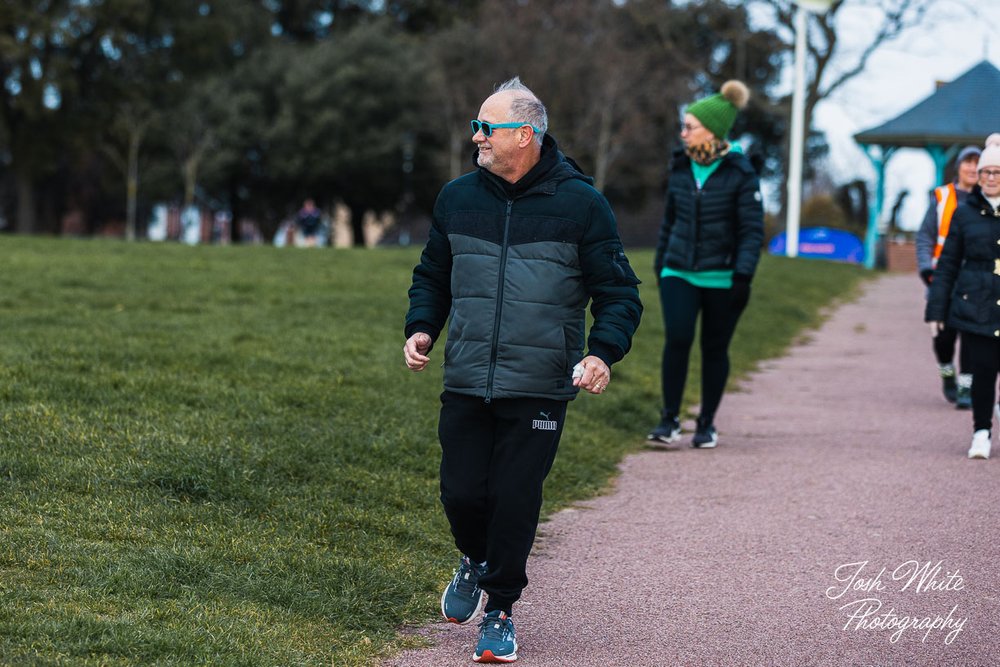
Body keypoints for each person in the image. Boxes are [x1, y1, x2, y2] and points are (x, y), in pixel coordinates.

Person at [403, 77, 642, 663]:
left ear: (527, 135)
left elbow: (620, 293)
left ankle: (501, 611)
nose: (477, 137)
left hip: (539, 383)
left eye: (488, 127)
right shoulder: (457, 197)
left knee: (514, 499)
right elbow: (433, 274)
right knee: (461, 494)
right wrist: (422, 326)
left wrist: (601, 353)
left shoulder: (582, 204)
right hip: (465, 377)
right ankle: (474, 558)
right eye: (476, 126)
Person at [647, 80, 764, 449]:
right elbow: (670, 220)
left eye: (690, 127)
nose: (683, 133)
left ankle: (707, 424)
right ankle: (669, 420)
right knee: (678, 339)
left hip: (723, 277)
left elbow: (751, 230)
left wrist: (743, 274)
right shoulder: (681, 167)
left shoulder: (740, 172)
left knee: (715, 349)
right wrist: (661, 262)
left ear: (712, 131)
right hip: (678, 271)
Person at [926, 134, 1000, 460]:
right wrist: (936, 310)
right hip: (977, 301)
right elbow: (948, 264)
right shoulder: (964, 212)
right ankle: (981, 431)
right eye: (986, 173)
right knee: (982, 371)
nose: (991, 178)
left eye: (998, 172)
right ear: (978, 177)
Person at [915, 145, 981, 407]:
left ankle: (966, 387)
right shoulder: (942, 198)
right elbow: (924, 237)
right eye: (968, 162)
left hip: (973, 279)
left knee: (970, 334)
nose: (973, 169)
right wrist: (925, 269)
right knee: (943, 337)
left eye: (978, 163)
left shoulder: (988, 200)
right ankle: (946, 371)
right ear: (959, 167)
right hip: (942, 278)